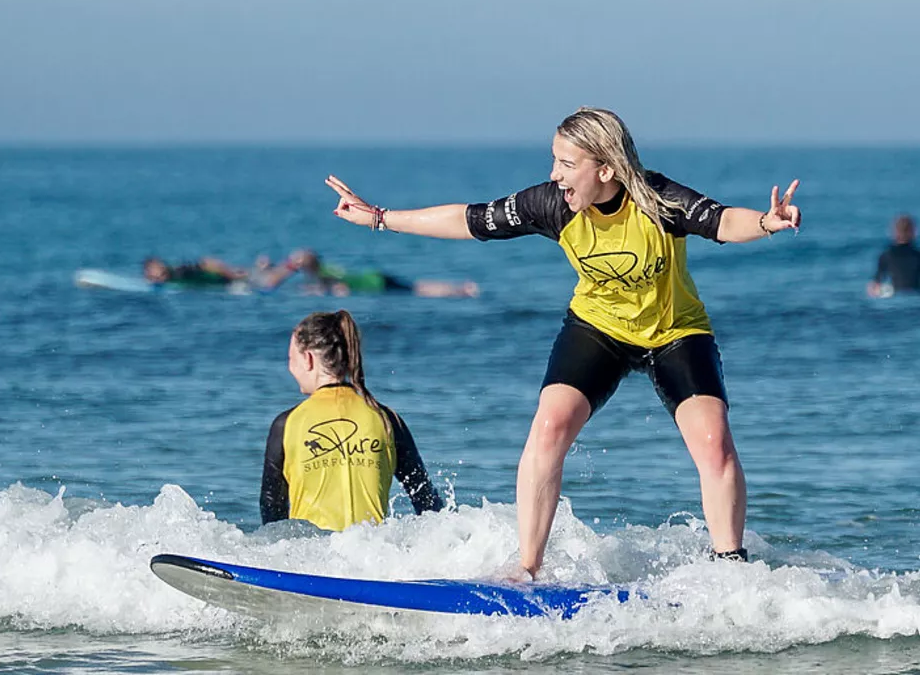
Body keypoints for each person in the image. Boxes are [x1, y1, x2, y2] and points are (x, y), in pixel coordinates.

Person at [325, 107, 802, 579]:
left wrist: (765, 222)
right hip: (598, 329)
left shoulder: (657, 199)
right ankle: (528, 567)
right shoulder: (552, 205)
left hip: (675, 331)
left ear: (606, 168)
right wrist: (380, 218)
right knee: (549, 425)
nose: (555, 176)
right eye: (554, 161)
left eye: (566, 164)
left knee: (714, 441)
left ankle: (730, 570)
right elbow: (468, 220)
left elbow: (719, 221)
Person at [260, 310, 445, 531]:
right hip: (372, 555)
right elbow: (427, 502)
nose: (290, 367)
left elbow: (272, 509)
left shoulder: (287, 424)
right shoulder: (387, 420)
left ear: (308, 359)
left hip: (312, 557)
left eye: (291, 359)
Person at [287, 249, 480, 298]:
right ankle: (460, 289)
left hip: (374, 285)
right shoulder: (327, 268)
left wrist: (307, 290)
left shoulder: (323, 275)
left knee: (417, 290)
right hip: (374, 276)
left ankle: (460, 291)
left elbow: (336, 287)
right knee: (416, 287)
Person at [867, 214, 920, 297]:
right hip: (915, 297)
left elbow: (874, 286)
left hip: (894, 299)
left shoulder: (886, 256)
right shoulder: (918, 255)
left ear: (894, 232)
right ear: (913, 232)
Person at [142, 256, 247, 287]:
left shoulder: (178, 272)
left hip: (220, 277)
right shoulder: (169, 278)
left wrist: (232, 275)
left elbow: (205, 263)